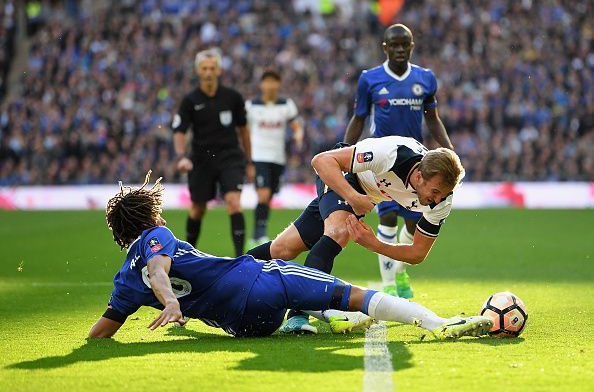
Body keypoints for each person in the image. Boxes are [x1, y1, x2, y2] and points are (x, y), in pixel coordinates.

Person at [88, 172, 492, 340]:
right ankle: (436, 323)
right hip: (258, 282)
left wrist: (177, 311)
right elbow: (159, 269)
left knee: (312, 296)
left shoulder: (124, 282)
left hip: (245, 326)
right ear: (149, 215)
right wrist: (172, 300)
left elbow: (102, 332)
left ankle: (334, 317)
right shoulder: (156, 237)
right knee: (349, 292)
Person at [247, 135, 462, 333]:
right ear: (419, 175)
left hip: (365, 195)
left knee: (283, 249)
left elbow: (418, 253)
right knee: (338, 232)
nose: (437, 200)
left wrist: (375, 244)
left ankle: (231, 269)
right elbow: (321, 161)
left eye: (442, 194)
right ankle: (298, 315)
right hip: (343, 176)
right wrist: (353, 197)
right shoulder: (390, 154)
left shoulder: (442, 200)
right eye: (434, 192)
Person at [343, 24, 454, 299]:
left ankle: (399, 272)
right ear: (385, 48)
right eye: (395, 45)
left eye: (405, 45)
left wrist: (449, 151)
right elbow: (359, 118)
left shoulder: (425, 79)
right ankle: (389, 283)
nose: (400, 49)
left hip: (417, 166)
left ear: (412, 46)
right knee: (388, 219)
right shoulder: (370, 79)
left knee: (413, 228)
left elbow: (432, 118)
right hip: (384, 165)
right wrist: (345, 150)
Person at [172, 49, 254, 257]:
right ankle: (187, 255)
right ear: (198, 71)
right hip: (201, 159)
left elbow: (244, 130)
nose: (208, 72)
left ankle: (240, 258)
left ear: (218, 70)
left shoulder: (233, 97)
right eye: (204, 68)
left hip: (229, 157)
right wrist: (181, 157)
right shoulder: (190, 100)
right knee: (198, 208)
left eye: (212, 68)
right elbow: (180, 131)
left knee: (234, 202)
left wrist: (249, 160)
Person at [245, 69, 303, 247]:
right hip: (258, 156)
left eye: (274, 81)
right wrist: (248, 161)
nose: (270, 85)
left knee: (269, 196)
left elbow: (296, 125)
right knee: (263, 195)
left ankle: (256, 235)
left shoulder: (286, 104)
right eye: (267, 81)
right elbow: (243, 132)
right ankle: (259, 235)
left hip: (278, 158)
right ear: (261, 84)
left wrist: (298, 134)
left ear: (278, 84)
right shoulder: (251, 106)